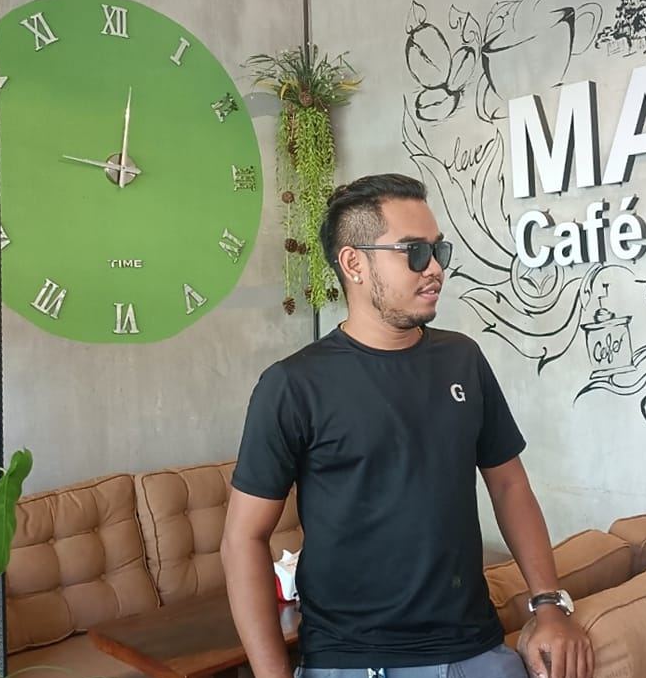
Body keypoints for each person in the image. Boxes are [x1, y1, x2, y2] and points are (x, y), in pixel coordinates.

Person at [221, 174, 594, 678]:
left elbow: (509, 485)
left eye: (439, 250)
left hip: (477, 652)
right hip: (354, 662)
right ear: (354, 263)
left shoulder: (462, 359)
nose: (435, 267)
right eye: (414, 252)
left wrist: (549, 604)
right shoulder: (292, 386)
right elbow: (243, 539)